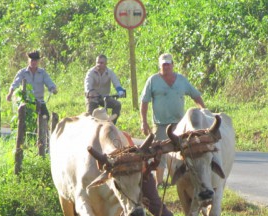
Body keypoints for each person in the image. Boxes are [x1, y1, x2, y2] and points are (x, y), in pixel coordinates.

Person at [140, 53, 205, 186]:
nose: (166, 67)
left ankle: (185, 179)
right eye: (163, 64)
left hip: (180, 124)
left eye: (168, 64)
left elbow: (195, 95)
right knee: (160, 152)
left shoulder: (181, 80)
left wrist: (204, 110)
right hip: (160, 124)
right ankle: (160, 182)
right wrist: (144, 122)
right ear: (160, 66)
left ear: (172, 65)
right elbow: (144, 102)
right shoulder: (153, 80)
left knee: (185, 151)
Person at [6, 50, 57, 120]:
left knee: (45, 117)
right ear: (28, 60)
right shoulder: (22, 73)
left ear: (38, 61)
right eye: (32, 60)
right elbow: (15, 84)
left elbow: (49, 83)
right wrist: (10, 93)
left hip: (40, 101)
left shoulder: (42, 73)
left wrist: (53, 89)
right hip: (27, 102)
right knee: (25, 120)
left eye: (36, 60)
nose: (34, 62)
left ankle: (43, 130)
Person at [84, 54, 126, 121]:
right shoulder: (91, 72)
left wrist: (120, 91)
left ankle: (111, 123)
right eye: (97, 62)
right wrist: (90, 92)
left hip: (105, 97)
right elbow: (87, 84)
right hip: (92, 98)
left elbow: (116, 82)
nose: (99, 64)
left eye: (101, 63)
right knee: (91, 115)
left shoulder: (110, 72)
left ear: (106, 64)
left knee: (117, 105)